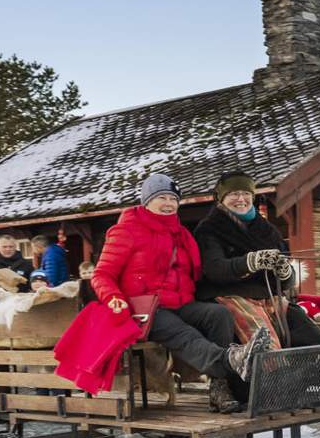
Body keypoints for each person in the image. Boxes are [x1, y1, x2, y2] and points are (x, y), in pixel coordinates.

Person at [91, 173, 269, 411]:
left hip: (181, 303)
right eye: (161, 198)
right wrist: (113, 297)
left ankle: (219, 389)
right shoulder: (127, 231)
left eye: (173, 199)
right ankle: (230, 359)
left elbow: (200, 274)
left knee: (219, 314)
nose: (168, 204)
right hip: (144, 308)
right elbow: (102, 274)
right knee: (184, 334)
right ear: (147, 201)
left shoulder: (182, 234)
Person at [193, 171, 320, 349]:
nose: (241, 199)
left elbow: (286, 280)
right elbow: (214, 269)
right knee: (266, 346)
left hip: (269, 297)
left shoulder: (267, 230)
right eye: (234, 194)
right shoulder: (209, 229)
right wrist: (251, 261)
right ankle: (271, 375)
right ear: (221, 198)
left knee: (313, 337)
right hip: (231, 295)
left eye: (246, 194)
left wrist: (285, 272)